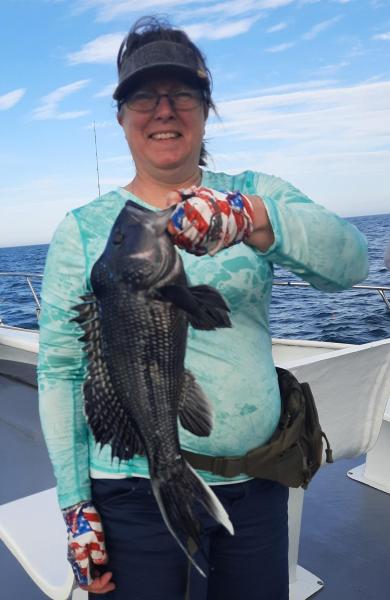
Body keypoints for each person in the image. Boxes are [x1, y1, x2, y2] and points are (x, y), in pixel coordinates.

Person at [38, 15, 369, 600]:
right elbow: (61, 373)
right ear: (121, 117)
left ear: (205, 106)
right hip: (133, 490)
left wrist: (254, 217)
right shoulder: (86, 230)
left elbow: (351, 265)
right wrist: (75, 508)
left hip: (259, 480)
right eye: (143, 96)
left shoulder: (253, 189)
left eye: (181, 93)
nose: (163, 110)